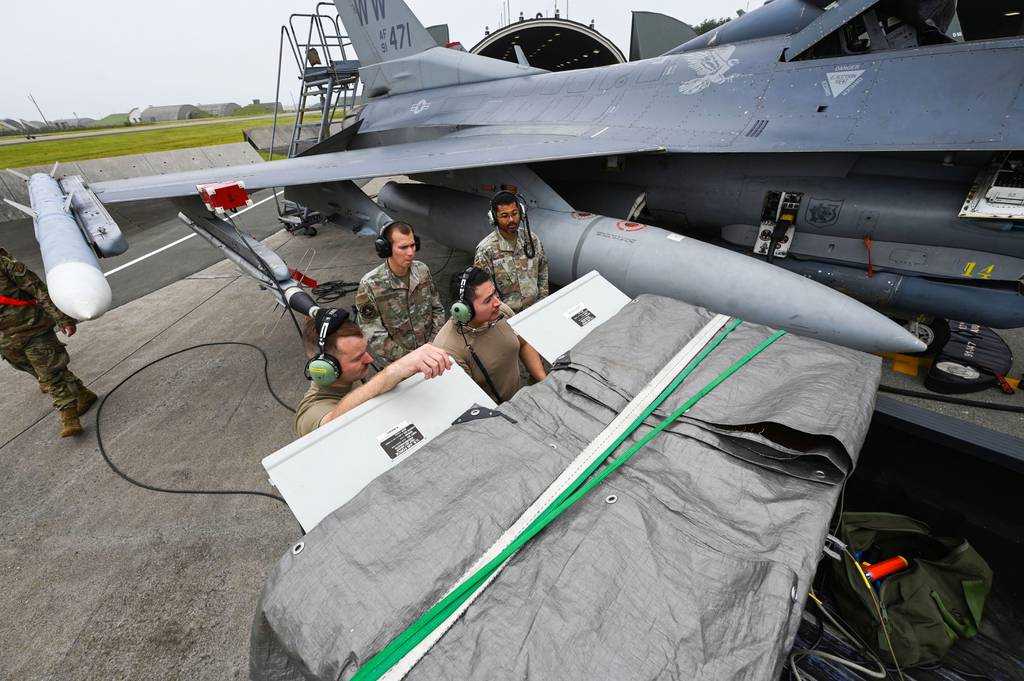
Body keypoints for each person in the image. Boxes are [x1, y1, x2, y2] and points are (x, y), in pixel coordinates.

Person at [295, 308, 452, 438]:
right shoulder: (310, 412)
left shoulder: (347, 377)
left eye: (365, 351)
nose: (369, 359)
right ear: (326, 368)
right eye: (357, 358)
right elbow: (333, 420)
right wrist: (394, 371)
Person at [0, 247, 96, 437]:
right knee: (39, 369)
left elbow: (37, 289)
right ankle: (83, 394)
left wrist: (62, 318)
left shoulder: (5, 264)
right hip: (6, 340)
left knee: (49, 375)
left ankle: (68, 416)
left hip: (32, 328)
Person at [433, 267, 545, 403]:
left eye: (494, 294)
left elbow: (524, 344)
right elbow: (465, 403)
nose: (497, 302)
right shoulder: (449, 349)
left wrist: (543, 381)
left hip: (517, 402)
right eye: (487, 300)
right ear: (463, 310)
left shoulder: (501, 311)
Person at [355, 221, 446, 364]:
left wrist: (433, 343)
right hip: (400, 364)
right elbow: (373, 333)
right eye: (403, 247)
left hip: (432, 353)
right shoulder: (370, 285)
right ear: (386, 249)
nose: (410, 253)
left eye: (412, 245)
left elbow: (437, 309)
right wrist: (410, 358)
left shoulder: (422, 270)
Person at [473, 191, 549, 314]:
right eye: (504, 216)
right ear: (494, 218)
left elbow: (543, 272)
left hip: (536, 311)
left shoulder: (532, 239)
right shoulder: (486, 250)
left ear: (522, 213)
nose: (511, 220)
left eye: (515, 213)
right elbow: (486, 291)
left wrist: (542, 303)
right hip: (507, 317)